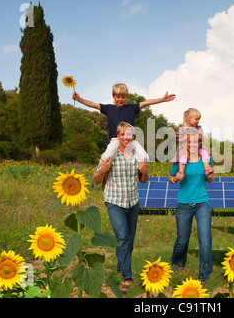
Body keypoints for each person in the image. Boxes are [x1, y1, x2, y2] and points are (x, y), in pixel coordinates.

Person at [93, 122, 149, 294]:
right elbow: (95, 179)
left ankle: (120, 268)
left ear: (133, 137)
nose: (126, 137)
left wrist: (145, 171)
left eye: (129, 134)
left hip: (133, 202)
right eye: (123, 134)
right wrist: (103, 170)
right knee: (122, 237)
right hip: (114, 202)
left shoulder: (138, 155)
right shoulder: (109, 155)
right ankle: (127, 277)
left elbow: (143, 180)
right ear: (118, 136)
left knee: (129, 240)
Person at [73, 83, 175, 162]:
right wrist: (79, 99)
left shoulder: (132, 108)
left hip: (131, 140)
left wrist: (162, 99)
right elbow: (93, 105)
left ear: (126, 97)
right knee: (106, 158)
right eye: (118, 97)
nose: (120, 99)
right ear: (113, 97)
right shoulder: (109, 108)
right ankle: (104, 179)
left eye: (123, 97)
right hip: (115, 140)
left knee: (144, 157)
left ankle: (138, 174)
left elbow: (147, 102)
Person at [168, 130, 215, 282]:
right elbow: (171, 177)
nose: (193, 144)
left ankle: (205, 276)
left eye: (195, 142)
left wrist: (209, 176)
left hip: (202, 202)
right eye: (189, 142)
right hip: (183, 204)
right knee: (182, 240)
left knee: (205, 239)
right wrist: (176, 178)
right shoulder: (180, 159)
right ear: (185, 144)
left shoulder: (207, 158)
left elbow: (210, 180)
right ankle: (177, 268)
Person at [172, 108, 210, 179]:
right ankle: (181, 172)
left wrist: (195, 136)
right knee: (182, 157)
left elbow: (202, 138)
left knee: (204, 153)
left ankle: (207, 168)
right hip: (185, 149)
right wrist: (185, 138)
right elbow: (178, 139)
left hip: (197, 147)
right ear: (188, 118)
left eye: (198, 119)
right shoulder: (182, 129)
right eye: (196, 119)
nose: (198, 121)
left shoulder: (198, 128)